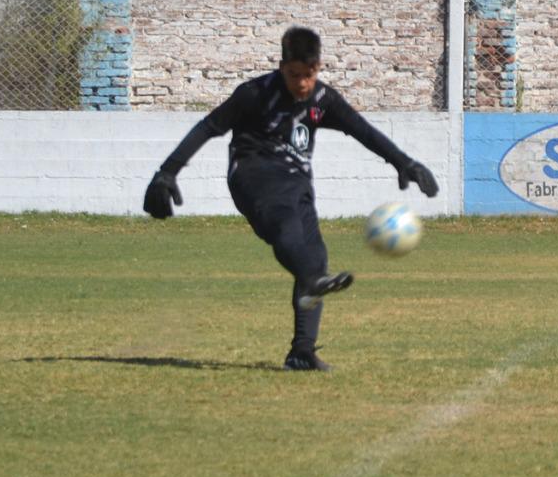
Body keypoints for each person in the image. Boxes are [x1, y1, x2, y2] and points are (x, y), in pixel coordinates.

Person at [142, 26, 439, 371]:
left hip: (297, 184)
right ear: (282, 66)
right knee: (287, 229)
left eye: (308, 75)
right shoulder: (254, 94)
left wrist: (405, 163)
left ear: (318, 67)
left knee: (315, 258)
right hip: (253, 176)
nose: (301, 83)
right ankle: (310, 286)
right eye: (294, 75)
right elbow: (209, 126)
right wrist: (168, 172)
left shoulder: (322, 99)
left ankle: (302, 352)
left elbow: (363, 131)